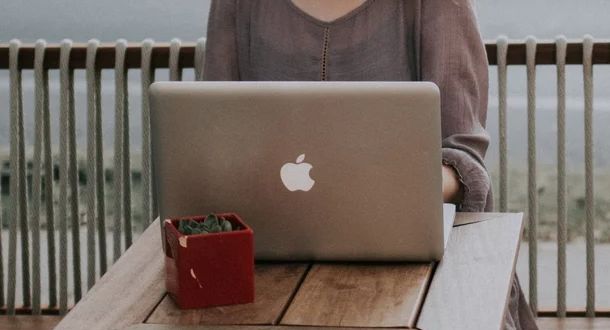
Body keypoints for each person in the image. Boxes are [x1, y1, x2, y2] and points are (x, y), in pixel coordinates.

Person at [202, 1, 538, 329]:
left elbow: (465, 160)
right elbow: (212, 140)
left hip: (411, 276)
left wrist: (388, 188)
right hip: (263, 267)